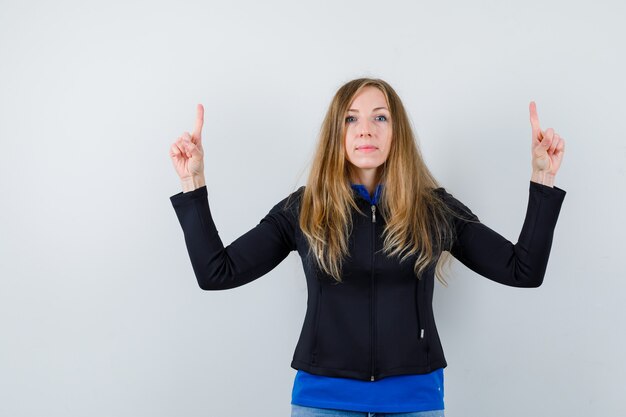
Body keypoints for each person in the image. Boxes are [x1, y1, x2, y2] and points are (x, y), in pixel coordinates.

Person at [168, 78, 566, 417]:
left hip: (415, 400)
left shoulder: (434, 210)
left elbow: (522, 271)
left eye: (380, 117)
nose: (365, 130)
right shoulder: (303, 209)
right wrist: (193, 184)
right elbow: (216, 273)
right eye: (351, 119)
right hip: (323, 400)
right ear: (336, 133)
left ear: (397, 132)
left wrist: (541, 181)